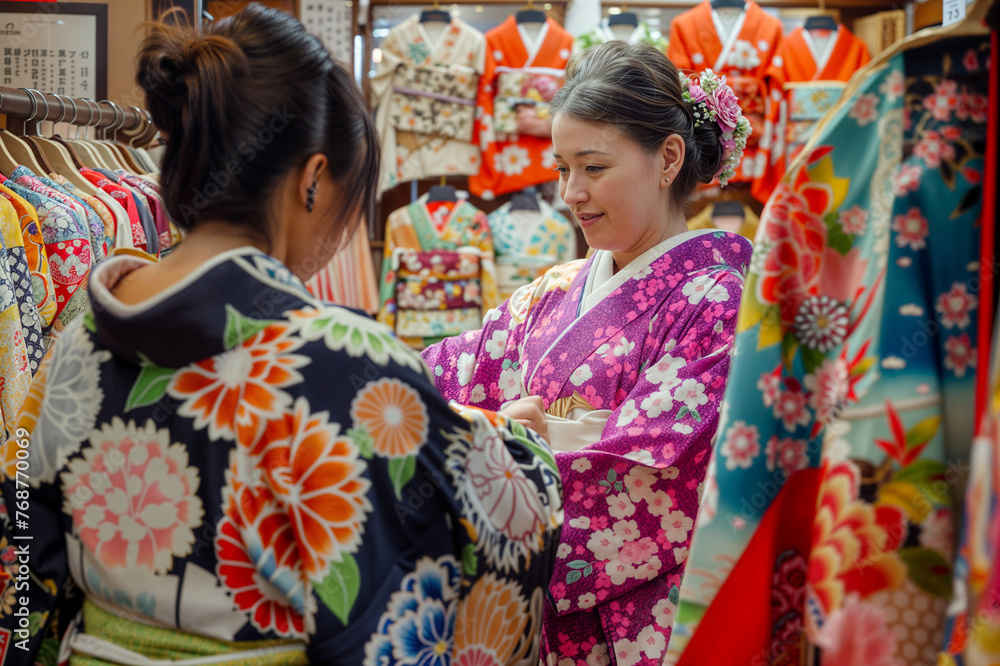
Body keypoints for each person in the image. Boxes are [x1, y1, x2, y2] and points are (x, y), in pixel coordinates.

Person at [0, 6, 561, 665]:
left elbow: (30, 574)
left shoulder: (80, 338)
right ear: (314, 180)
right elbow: (445, 575)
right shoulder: (349, 360)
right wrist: (520, 447)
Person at [421, 40, 753, 665]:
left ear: (669, 159)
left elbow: (655, 479)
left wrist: (504, 457)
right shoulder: (551, 292)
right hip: (538, 621)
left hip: (643, 621)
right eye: (561, 169)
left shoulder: (719, 301)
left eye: (593, 168)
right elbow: (447, 373)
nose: (571, 192)